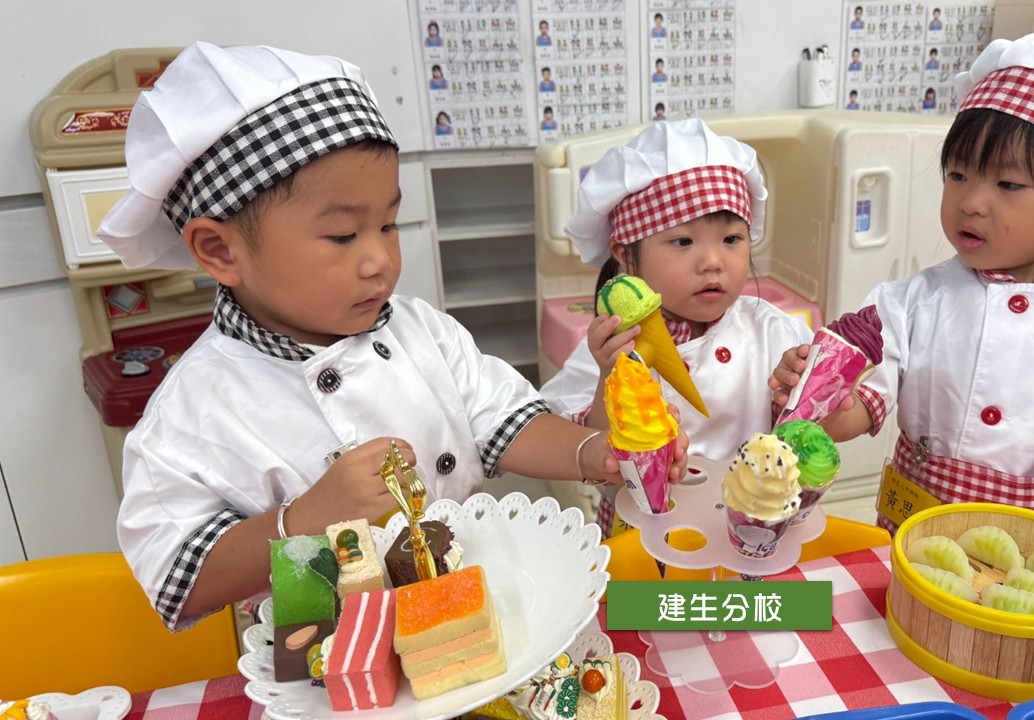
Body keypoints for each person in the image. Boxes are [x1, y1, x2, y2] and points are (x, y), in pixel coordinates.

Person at [96, 43, 686, 631]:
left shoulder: (420, 330)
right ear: (220, 250)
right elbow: (181, 580)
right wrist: (303, 519)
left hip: (474, 611)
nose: (380, 260)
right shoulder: (194, 409)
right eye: (342, 236)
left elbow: (506, 422)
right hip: (332, 654)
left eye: (388, 225)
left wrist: (594, 453)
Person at [770, 32, 1034, 542]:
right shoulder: (911, 305)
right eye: (958, 175)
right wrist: (827, 402)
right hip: (920, 530)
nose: (970, 202)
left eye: (1008, 184)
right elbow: (856, 412)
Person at [542, 119, 814, 536]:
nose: (713, 262)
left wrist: (793, 386)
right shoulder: (612, 344)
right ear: (626, 256)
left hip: (745, 530)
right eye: (683, 242)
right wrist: (609, 375)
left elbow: (810, 422)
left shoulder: (772, 330)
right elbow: (593, 448)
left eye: (731, 239)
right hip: (643, 532)